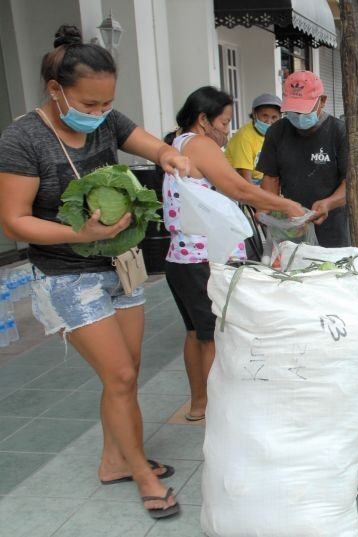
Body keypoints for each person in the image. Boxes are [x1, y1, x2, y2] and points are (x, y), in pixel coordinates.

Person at [0, 25, 190, 519]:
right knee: (122, 374)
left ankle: (114, 461)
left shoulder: (105, 120)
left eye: (107, 104)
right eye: (88, 105)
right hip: (66, 275)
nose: (99, 115)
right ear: (55, 90)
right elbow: (14, 220)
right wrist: (80, 236)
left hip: (119, 265)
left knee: (124, 377)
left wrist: (170, 155)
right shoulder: (23, 138)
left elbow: (147, 143)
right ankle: (141, 473)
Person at [162, 87, 303, 423]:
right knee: (215, 336)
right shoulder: (198, 144)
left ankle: (200, 405)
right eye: (224, 122)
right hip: (204, 259)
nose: (228, 129)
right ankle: (220, 412)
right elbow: (237, 188)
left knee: (196, 333)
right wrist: (285, 205)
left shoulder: (176, 144)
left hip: (182, 259)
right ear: (202, 120)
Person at [257, 71, 349, 247]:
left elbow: (350, 183)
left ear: (322, 101)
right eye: (293, 110)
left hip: (332, 224)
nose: (298, 116)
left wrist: (328, 204)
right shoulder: (276, 132)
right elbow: (270, 179)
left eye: (304, 110)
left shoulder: (339, 132)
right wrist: (269, 208)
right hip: (291, 224)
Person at [224, 93, 282, 185]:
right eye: (265, 116)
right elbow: (245, 178)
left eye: (274, 117)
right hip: (240, 181)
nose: (269, 121)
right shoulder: (244, 137)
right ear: (255, 114)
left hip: (262, 179)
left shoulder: (275, 135)